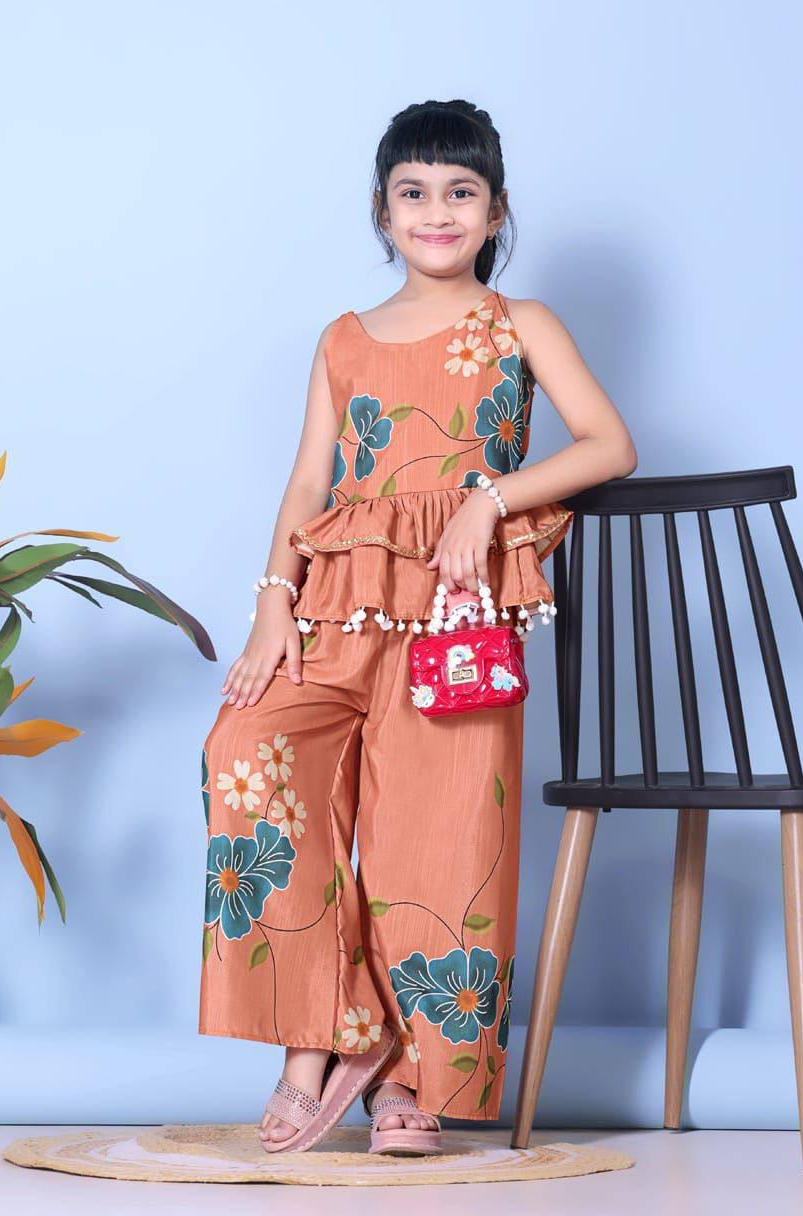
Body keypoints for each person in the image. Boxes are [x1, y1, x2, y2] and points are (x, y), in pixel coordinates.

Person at [198, 98, 637, 1155]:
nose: (436, 212)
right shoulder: (343, 339)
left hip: (455, 619)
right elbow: (309, 482)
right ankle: (319, 1037)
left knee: (435, 838)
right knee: (245, 756)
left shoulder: (520, 323)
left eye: (460, 192)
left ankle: (408, 1081)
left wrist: (491, 499)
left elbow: (608, 444)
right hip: (330, 607)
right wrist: (270, 603)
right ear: (382, 209)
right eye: (413, 192)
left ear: (496, 211)